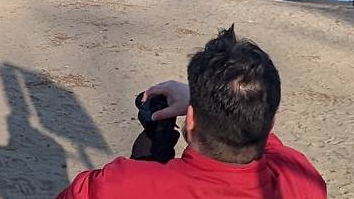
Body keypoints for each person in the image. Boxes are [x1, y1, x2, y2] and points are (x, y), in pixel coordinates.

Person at [56, 26, 326, 198]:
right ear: (270, 123)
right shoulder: (301, 181)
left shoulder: (117, 186)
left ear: (191, 118)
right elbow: (265, 137)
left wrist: (147, 160)